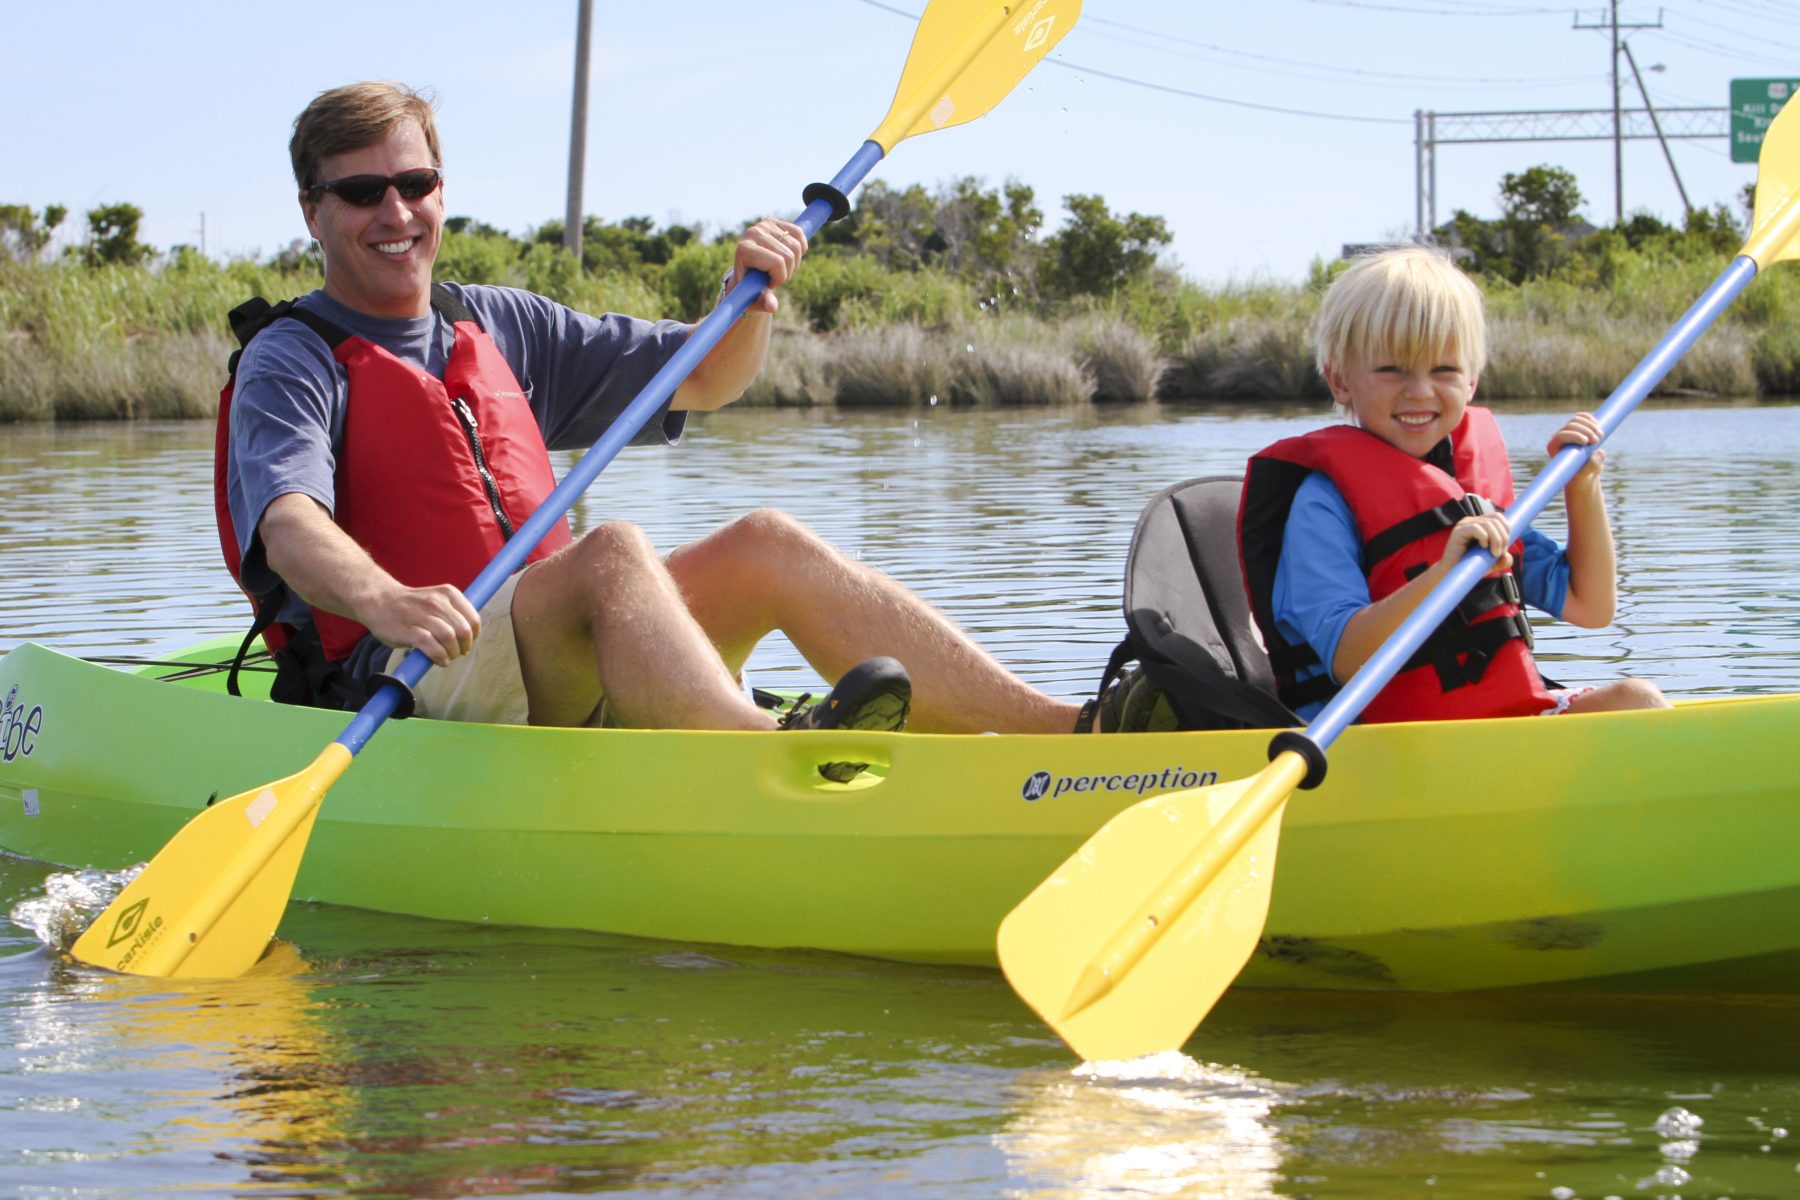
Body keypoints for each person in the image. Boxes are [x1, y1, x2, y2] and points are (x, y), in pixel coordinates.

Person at [219, 81, 1078, 772]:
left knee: (764, 541)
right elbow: (289, 523)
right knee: (614, 551)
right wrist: (389, 601)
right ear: (312, 211)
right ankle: (761, 766)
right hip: (406, 671)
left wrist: (750, 299)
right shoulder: (293, 358)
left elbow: (704, 378)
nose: (397, 214)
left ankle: (1070, 736)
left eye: (416, 185)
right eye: (365, 192)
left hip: (546, 649)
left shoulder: (498, 324)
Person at [1237, 246, 1670, 724]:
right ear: (1340, 381)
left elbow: (1591, 606)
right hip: (1369, 738)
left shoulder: (1468, 495)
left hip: (1479, 725)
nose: (1420, 390)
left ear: (1471, 381)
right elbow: (1345, 656)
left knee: (1637, 699)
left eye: (1443, 370)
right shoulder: (1323, 505)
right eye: (1391, 369)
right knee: (1639, 704)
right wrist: (1443, 572)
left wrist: (1583, 486)